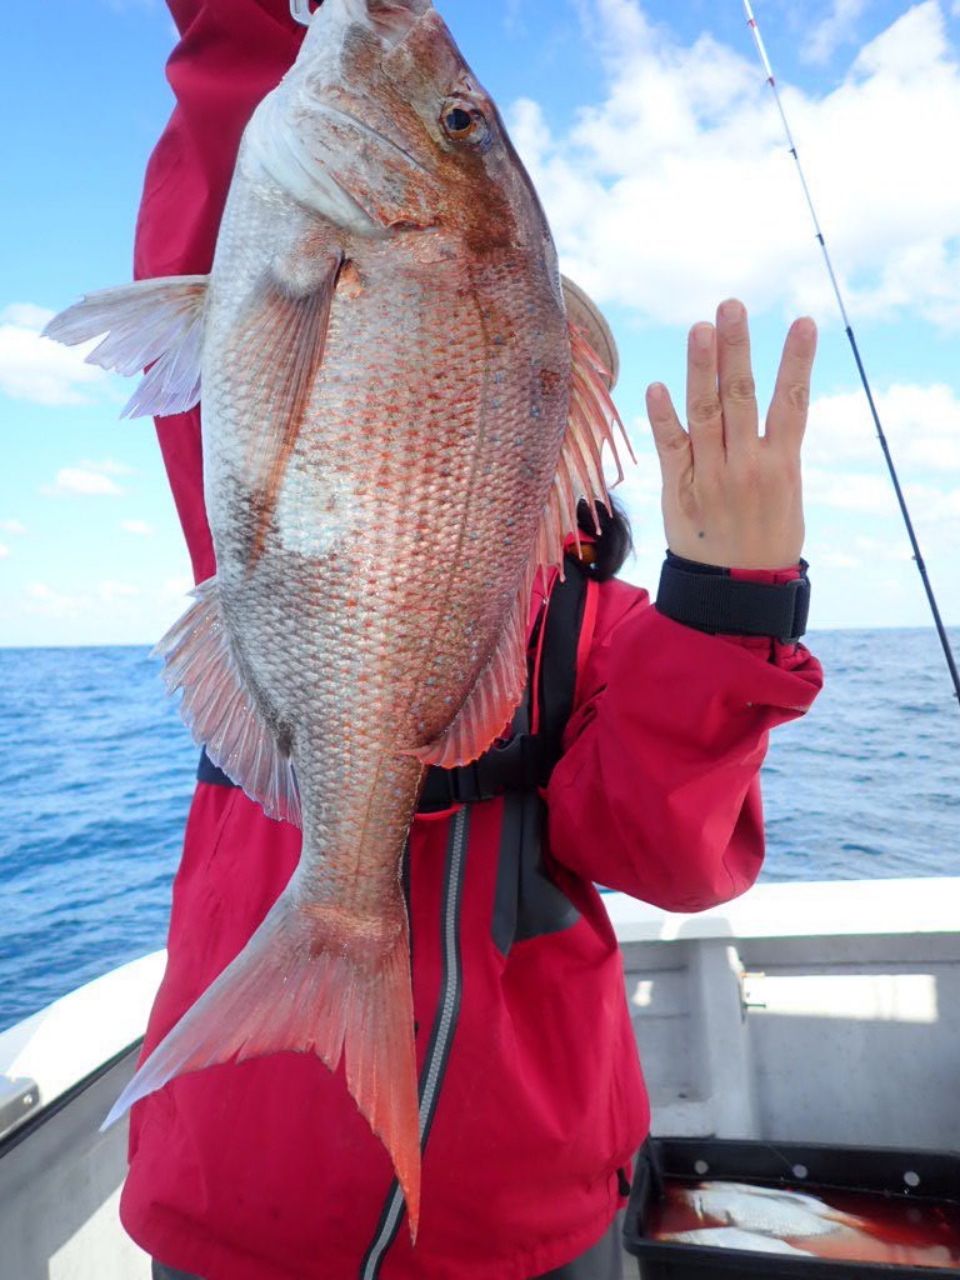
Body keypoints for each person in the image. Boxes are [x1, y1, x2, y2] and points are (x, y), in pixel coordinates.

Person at [128, 3, 824, 1278]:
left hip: (525, 1221)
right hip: (239, 1203)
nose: (526, 410)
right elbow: (238, 153)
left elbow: (671, 854)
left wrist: (729, 604)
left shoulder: (607, 634)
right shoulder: (272, 365)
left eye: (550, 393)